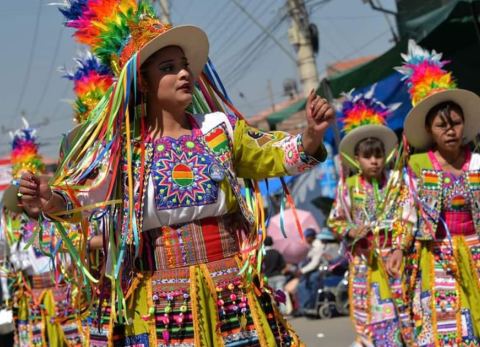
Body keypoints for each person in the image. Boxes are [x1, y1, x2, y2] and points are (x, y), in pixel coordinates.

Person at [17, 1, 335, 346]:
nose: (184, 73)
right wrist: (48, 198)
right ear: (143, 81)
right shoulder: (124, 149)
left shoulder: (219, 130)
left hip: (232, 287)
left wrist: (311, 136)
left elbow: (271, 154)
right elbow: (82, 194)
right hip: (161, 300)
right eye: (169, 68)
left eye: (185, 66)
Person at [387, 40, 480, 346]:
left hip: (477, 250)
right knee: (449, 330)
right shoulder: (418, 166)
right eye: (442, 125)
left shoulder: (477, 163)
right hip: (439, 256)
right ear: (429, 131)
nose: (450, 130)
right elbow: (406, 211)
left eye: (455, 122)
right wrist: (399, 247)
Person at [328, 87, 414, 346]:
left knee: (405, 316)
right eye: (368, 156)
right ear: (357, 159)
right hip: (365, 265)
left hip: (396, 261)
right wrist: (350, 230)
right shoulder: (348, 188)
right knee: (372, 319)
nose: (374, 161)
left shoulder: (397, 182)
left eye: (378, 155)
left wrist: (400, 245)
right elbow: (335, 220)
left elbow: (408, 215)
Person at [1, 121, 84, 347]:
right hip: (35, 303)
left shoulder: (66, 222)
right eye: (27, 195)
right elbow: (9, 268)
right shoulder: (14, 233)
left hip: (68, 299)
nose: (33, 201)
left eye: (37, 191)